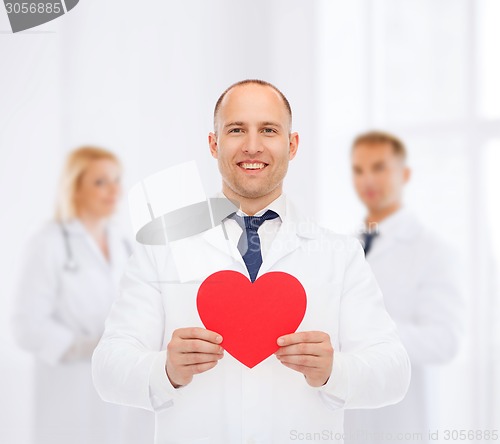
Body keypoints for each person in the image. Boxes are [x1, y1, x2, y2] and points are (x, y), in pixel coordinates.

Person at [92, 80, 411, 444]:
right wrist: (164, 370)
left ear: (292, 145)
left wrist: (333, 370)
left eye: (269, 130)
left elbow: (395, 372)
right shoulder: (162, 247)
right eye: (236, 130)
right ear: (214, 144)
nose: (252, 146)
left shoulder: (340, 254)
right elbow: (107, 367)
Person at [12, 147, 154, 444]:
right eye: (100, 182)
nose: (114, 190)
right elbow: (26, 325)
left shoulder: (122, 242)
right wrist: (82, 347)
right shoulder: (47, 241)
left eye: (116, 180)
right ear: (75, 188)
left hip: (116, 384)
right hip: (69, 386)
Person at [344, 131, 464, 443]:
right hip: (347, 417)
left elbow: (444, 341)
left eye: (379, 167)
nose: (368, 179)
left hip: (400, 424)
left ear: (405, 174)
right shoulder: (345, 247)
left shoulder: (432, 250)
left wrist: (369, 333)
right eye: (359, 170)